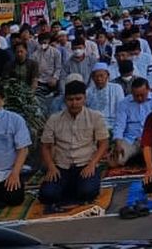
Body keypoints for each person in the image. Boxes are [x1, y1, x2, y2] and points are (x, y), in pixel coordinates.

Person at [38, 80, 109, 208]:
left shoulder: (95, 117)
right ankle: (68, 187)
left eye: (78, 99)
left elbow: (103, 143)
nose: (74, 103)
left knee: (88, 192)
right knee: (47, 195)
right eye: (70, 99)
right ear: (65, 100)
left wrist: (93, 164)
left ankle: (73, 188)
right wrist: (51, 167)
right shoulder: (54, 119)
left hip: (85, 165)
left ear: (85, 99)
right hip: (61, 167)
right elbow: (45, 146)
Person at [111, 78, 152, 167]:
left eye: (142, 95)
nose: (139, 98)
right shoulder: (124, 103)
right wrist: (118, 143)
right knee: (115, 161)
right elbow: (119, 125)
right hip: (131, 139)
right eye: (136, 95)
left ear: (148, 90)